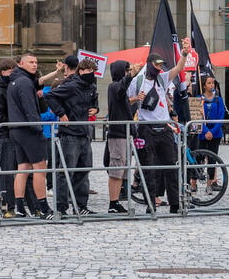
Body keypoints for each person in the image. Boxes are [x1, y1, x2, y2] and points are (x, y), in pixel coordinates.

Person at [127, 38, 191, 214]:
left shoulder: (162, 79)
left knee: (170, 165)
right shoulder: (137, 82)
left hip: (164, 128)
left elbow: (178, 69)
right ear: (149, 64)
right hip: (146, 128)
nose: (159, 67)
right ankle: (151, 203)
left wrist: (184, 54)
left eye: (161, 65)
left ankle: (175, 204)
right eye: (157, 64)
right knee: (149, 167)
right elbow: (125, 100)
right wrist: (135, 99)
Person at [45, 58, 99, 216]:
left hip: (84, 132)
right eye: (89, 72)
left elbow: (94, 101)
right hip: (69, 134)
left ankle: (81, 206)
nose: (91, 75)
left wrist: (95, 108)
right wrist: (61, 113)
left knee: (84, 169)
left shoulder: (91, 86)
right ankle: (61, 208)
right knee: (65, 171)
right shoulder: (70, 85)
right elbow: (50, 96)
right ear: (81, 71)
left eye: (93, 72)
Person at [7, 52, 55, 219]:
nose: (34, 65)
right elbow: (30, 108)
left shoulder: (14, 80)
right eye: (31, 62)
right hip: (28, 130)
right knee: (40, 169)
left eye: (36, 62)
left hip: (16, 129)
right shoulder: (24, 82)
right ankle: (43, 208)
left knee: (23, 169)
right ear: (21, 64)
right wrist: (37, 128)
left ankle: (19, 207)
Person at [106, 59, 141, 214]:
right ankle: (113, 203)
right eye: (126, 70)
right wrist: (132, 74)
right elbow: (121, 88)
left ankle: (117, 201)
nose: (128, 73)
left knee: (123, 169)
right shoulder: (114, 87)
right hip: (118, 133)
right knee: (117, 169)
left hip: (125, 133)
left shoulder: (120, 89)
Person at [0, 58, 19, 217]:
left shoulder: (16, 87)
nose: (14, 74)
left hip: (18, 134)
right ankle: (7, 204)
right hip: (6, 134)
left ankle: (22, 203)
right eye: (11, 71)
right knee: (7, 170)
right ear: (3, 72)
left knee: (22, 170)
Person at [197, 75, 227, 196]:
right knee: (199, 157)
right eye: (209, 83)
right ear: (204, 85)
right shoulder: (199, 99)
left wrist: (212, 131)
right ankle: (195, 182)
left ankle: (210, 184)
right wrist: (205, 131)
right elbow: (197, 116)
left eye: (213, 83)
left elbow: (221, 116)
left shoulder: (218, 99)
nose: (211, 85)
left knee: (212, 158)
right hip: (202, 131)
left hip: (215, 132)